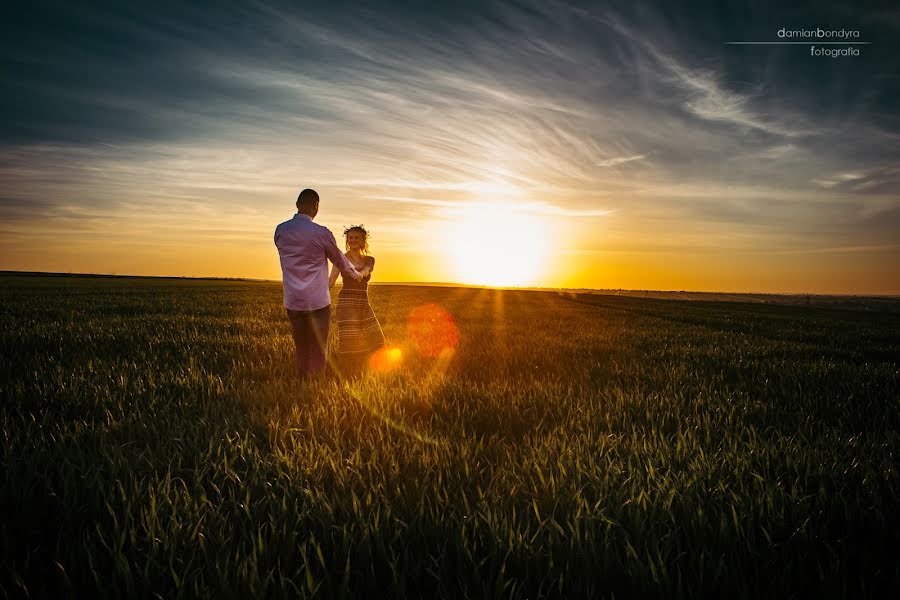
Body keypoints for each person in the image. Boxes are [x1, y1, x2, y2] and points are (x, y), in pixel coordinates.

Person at [274, 188, 361, 378]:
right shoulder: (321, 233)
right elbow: (339, 260)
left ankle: (301, 380)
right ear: (316, 207)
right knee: (318, 346)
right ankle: (314, 385)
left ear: (297, 204)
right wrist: (356, 275)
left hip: (293, 300)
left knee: (301, 345)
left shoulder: (280, 230)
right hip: (317, 300)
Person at [329, 225, 385, 372]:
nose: (352, 240)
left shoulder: (369, 260)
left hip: (362, 302)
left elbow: (367, 270)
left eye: (356, 237)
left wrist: (361, 274)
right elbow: (331, 281)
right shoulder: (341, 259)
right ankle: (349, 369)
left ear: (362, 241)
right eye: (350, 238)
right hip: (346, 303)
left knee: (375, 336)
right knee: (350, 340)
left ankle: (370, 366)